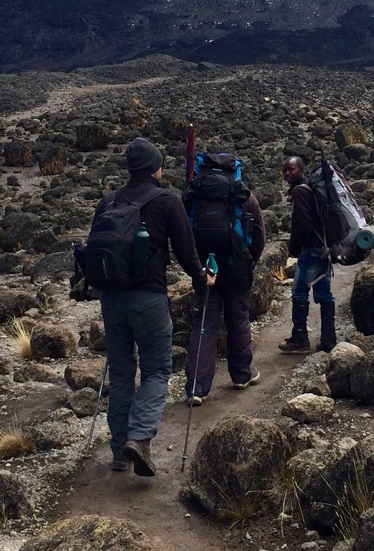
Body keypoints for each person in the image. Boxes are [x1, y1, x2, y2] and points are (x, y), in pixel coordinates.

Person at [94, 137, 213, 477]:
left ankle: (118, 452)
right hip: (148, 298)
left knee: (119, 372)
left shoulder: (108, 202)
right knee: (157, 370)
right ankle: (140, 437)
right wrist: (202, 277)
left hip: (111, 299)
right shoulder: (167, 201)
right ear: (156, 167)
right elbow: (186, 252)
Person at [183, 153, 266, 406]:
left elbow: (184, 233)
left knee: (204, 322)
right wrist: (249, 259)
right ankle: (241, 374)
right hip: (237, 265)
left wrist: (195, 267)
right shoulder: (243, 196)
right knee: (238, 319)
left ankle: (197, 386)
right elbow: (259, 235)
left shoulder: (195, 196)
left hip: (205, 266)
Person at [279, 156, 336, 353]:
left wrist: (294, 248)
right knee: (324, 293)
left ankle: (300, 339)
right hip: (323, 247)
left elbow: (303, 223)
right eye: (285, 170)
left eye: (291, 169)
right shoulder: (311, 188)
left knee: (299, 293)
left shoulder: (300, 191)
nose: (287, 173)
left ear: (301, 170)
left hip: (310, 249)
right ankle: (329, 340)